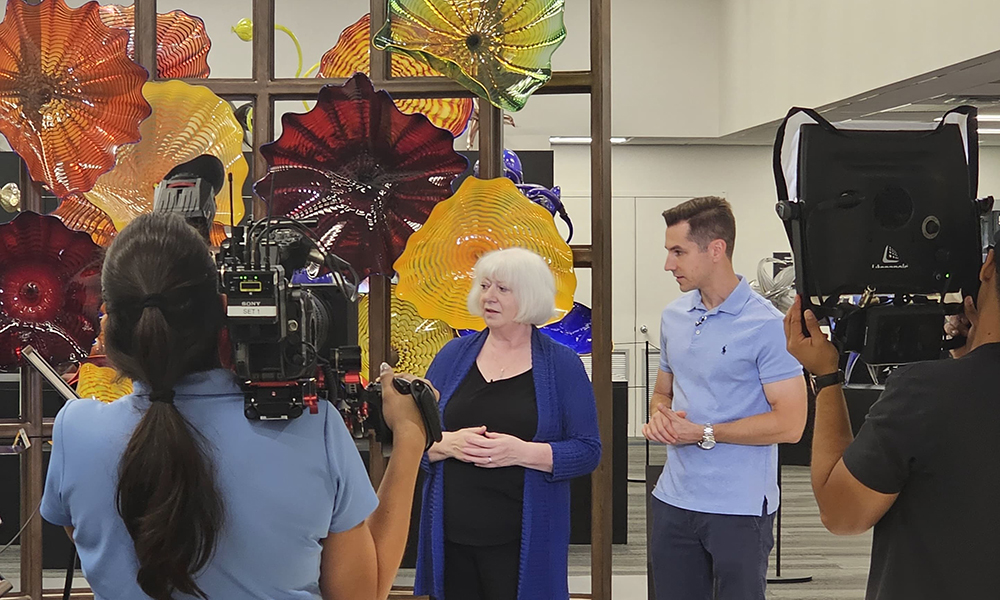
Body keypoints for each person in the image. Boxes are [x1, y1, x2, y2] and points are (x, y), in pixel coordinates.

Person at [40, 212, 431, 600]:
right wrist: (411, 435)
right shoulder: (315, 428)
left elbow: (92, 541)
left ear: (109, 326)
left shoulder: (76, 434)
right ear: (225, 310)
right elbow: (363, 593)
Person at [784, 246, 1000, 599]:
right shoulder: (935, 392)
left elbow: (842, 513)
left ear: (988, 265)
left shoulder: (925, 393)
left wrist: (826, 377)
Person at [643, 196, 808, 600]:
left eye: (678, 252)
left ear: (716, 249)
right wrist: (660, 415)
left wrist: (704, 432)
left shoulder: (768, 326)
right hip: (672, 500)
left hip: (739, 508)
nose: (668, 264)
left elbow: (791, 425)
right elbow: (662, 392)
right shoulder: (673, 317)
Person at [414, 247, 601, 600]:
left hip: (521, 541)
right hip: (451, 537)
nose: (489, 296)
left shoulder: (562, 364)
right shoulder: (452, 355)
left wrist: (522, 453)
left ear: (530, 296)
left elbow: (588, 451)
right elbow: (415, 439)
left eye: (502, 289)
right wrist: (444, 445)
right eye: (485, 286)